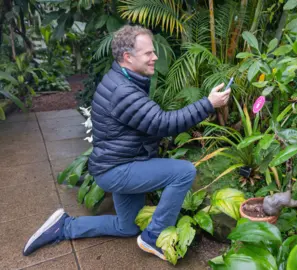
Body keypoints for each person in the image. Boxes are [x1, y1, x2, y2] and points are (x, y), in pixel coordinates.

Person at [22, 25, 231, 261]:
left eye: (153, 52)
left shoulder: (124, 79)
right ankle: (154, 237)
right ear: (127, 57)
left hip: (119, 163)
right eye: (148, 53)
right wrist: (207, 104)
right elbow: (162, 123)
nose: (155, 57)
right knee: (183, 172)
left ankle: (64, 226)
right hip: (118, 169)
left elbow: (148, 123)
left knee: (127, 227)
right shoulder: (123, 91)